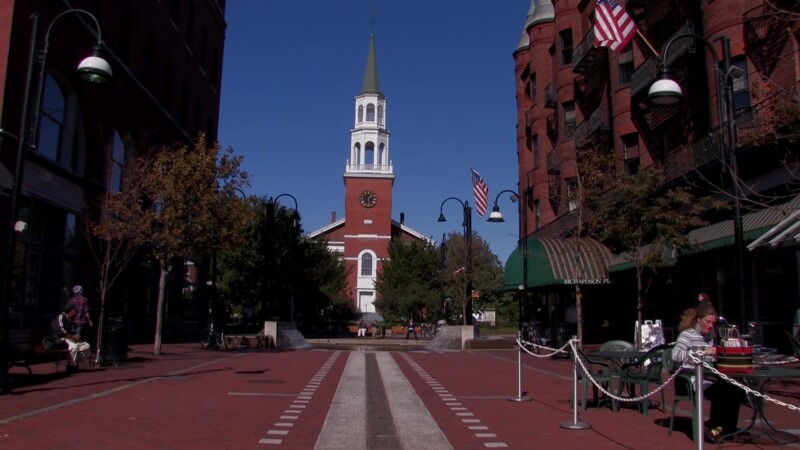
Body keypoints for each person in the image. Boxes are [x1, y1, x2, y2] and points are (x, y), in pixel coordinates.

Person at [671, 302, 745, 441]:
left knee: (735, 388)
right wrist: (703, 352)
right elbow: (676, 355)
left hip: (704, 377)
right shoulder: (687, 335)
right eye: (707, 322)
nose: (711, 326)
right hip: (688, 379)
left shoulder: (709, 337)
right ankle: (714, 427)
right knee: (723, 389)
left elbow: (709, 360)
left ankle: (728, 429)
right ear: (698, 319)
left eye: (713, 322)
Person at [52, 305, 92, 373]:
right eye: (74, 311)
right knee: (73, 346)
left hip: (69, 338)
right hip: (60, 338)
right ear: (70, 311)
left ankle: (75, 362)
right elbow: (60, 331)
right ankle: (71, 365)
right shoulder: (61, 317)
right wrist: (72, 336)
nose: (75, 313)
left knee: (86, 345)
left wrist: (75, 335)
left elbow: (72, 330)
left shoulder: (70, 319)